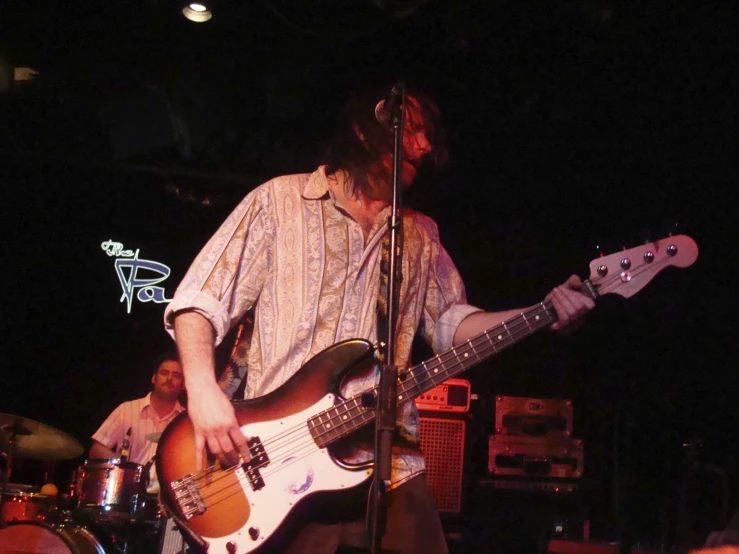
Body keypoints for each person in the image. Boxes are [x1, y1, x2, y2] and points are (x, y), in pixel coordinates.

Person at [163, 83, 595, 554]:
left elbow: (451, 324)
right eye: (412, 130)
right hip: (283, 463)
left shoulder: (420, 233)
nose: (425, 147)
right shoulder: (280, 202)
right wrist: (203, 391)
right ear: (365, 130)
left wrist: (542, 312)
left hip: (393, 466)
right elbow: (200, 297)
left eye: (430, 137)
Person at [90, 353, 185, 466]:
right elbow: (97, 449)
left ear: (183, 385)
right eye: (164, 373)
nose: (169, 378)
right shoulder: (126, 409)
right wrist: (125, 466)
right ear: (154, 378)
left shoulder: (187, 421)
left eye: (176, 375)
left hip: (167, 484)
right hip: (128, 482)